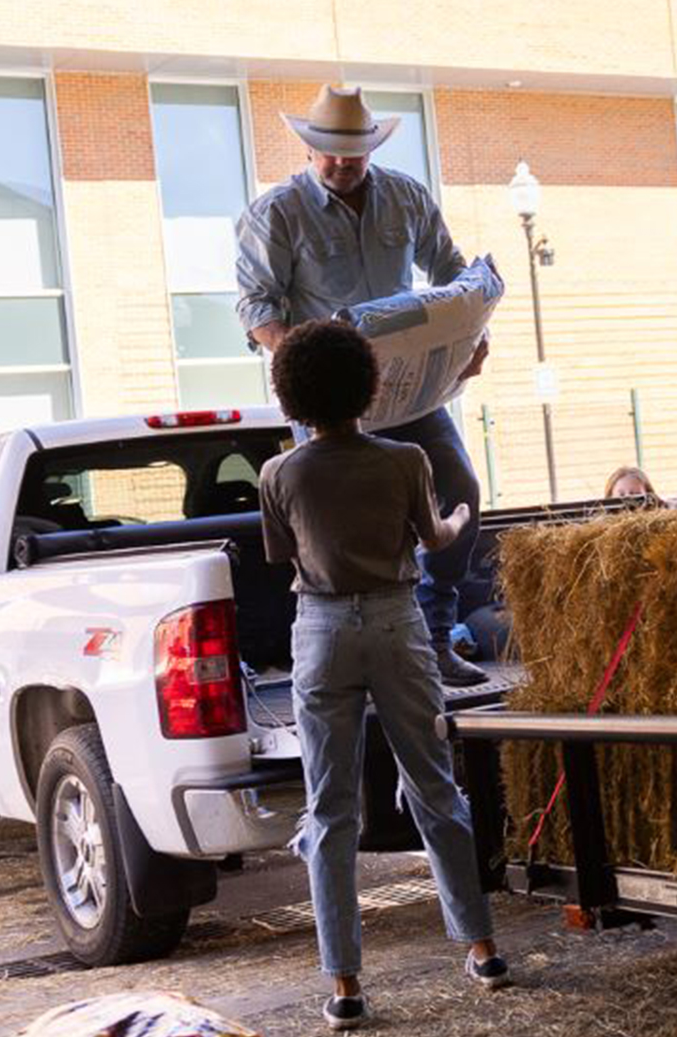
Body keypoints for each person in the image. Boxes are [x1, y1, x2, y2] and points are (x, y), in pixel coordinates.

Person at [259, 320, 509, 1032]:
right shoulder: (404, 459)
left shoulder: (281, 473)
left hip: (322, 629)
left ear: (290, 397)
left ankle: (344, 985)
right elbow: (433, 540)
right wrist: (459, 516)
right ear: (369, 388)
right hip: (399, 623)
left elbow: (286, 557)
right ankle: (483, 950)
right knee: (434, 787)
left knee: (330, 807)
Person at [236, 84, 489, 688]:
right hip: (328, 395)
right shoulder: (275, 214)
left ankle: (432, 636)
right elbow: (255, 308)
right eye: (330, 153)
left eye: (354, 153)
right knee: (339, 527)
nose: (342, 164)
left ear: (371, 149)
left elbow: (452, 272)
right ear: (308, 148)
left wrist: (470, 334)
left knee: (459, 489)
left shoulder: (406, 198)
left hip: (409, 388)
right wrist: (305, 357)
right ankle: (350, 659)